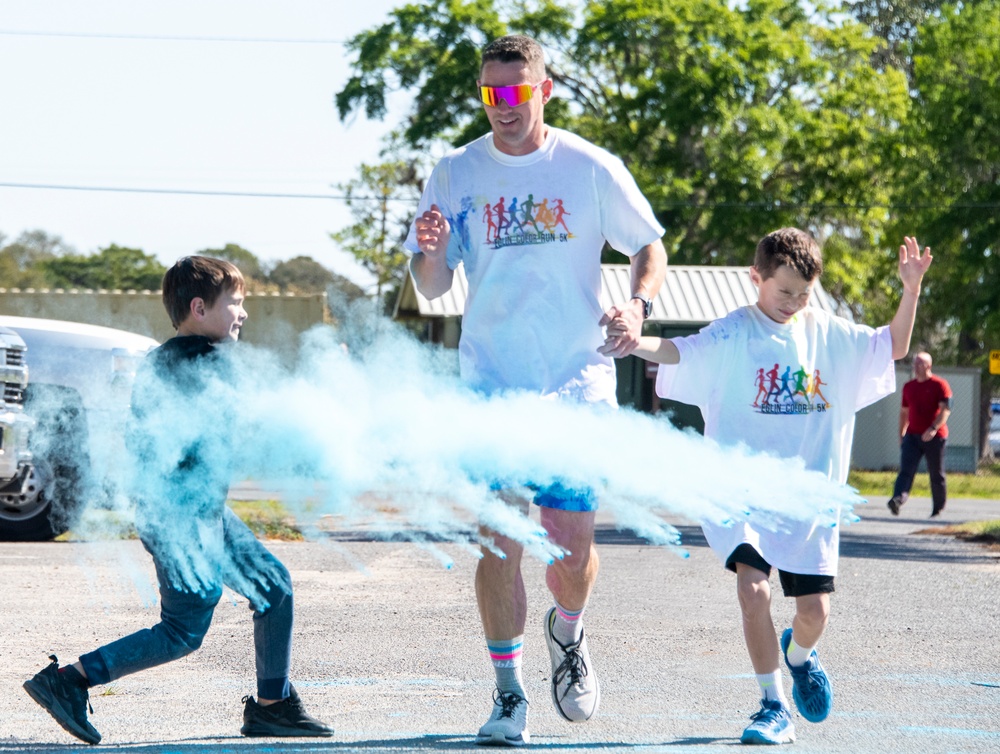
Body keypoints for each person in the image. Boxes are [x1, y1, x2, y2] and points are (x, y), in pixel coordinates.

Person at [406, 34, 667, 746]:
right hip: (490, 383)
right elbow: (432, 286)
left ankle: (569, 634)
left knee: (572, 550)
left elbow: (650, 244)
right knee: (498, 539)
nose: (504, 107)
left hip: (576, 381)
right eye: (492, 93)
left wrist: (638, 305)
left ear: (544, 90)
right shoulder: (456, 172)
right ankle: (507, 694)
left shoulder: (587, 167)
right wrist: (430, 250)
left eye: (517, 92)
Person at [602, 230, 931, 745]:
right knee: (751, 589)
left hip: (808, 502)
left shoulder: (829, 334)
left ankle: (799, 656)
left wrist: (910, 290)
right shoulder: (734, 333)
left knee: (813, 614)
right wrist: (631, 339)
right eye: (784, 293)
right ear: (756, 279)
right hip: (744, 496)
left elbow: (893, 345)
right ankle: (771, 705)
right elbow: (677, 352)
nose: (795, 303)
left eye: (804, 293)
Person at [23, 256, 332, 744]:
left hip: (200, 508)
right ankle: (70, 681)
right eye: (235, 301)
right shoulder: (205, 361)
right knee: (183, 630)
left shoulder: (170, 358)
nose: (243, 312)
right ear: (199, 308)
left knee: (272, 587)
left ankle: (273, 706)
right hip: (179, 514)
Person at [887, 351, 952, 517]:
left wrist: (933, 428)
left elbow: (945, 411)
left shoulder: (939, 385)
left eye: (919, 363)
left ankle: (937, 508)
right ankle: (897, 499)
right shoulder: (909, 387)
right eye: (914, 363)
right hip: (912, 437)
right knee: (906, 471)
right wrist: (901, 434)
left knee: (936, 473)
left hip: (935, 437)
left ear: (928, 366)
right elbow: (904, 412)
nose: (915, 367)